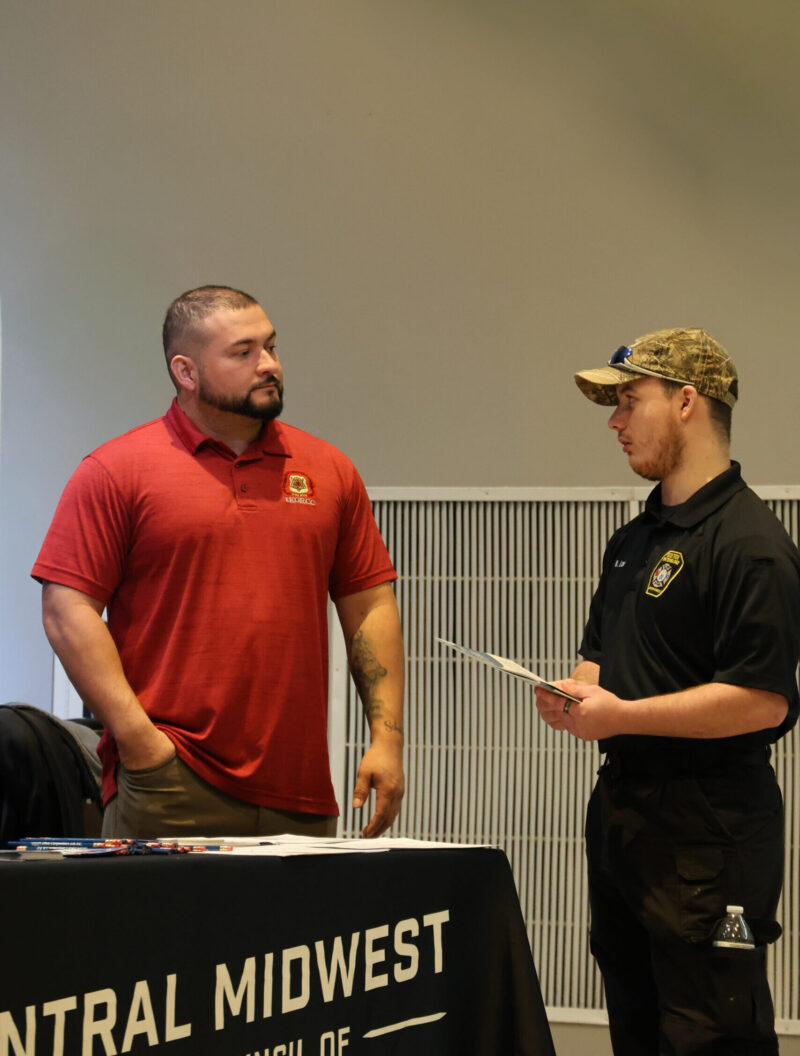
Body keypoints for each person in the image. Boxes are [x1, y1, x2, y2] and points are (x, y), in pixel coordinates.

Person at [32, 285, 405, 840]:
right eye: (244, 352)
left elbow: (370, 603)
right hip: (168, 781)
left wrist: (387, 739)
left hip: (301, 790)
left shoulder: (330, 470)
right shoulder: (117, 470)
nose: (270, 365)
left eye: (272, 347)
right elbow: (67, 609)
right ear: (185, 371)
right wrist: (139, 741)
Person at [534, 328, 800, 1055]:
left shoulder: (750, 544)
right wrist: (573, 694)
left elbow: (762, 699)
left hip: (710, 835)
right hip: (625, 820)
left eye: (629, 401)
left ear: (687, 401)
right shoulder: (635, 540)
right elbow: (599, 662)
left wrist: (623, 716)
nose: (615, 422)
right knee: (638, 1022)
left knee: (710, 1031)